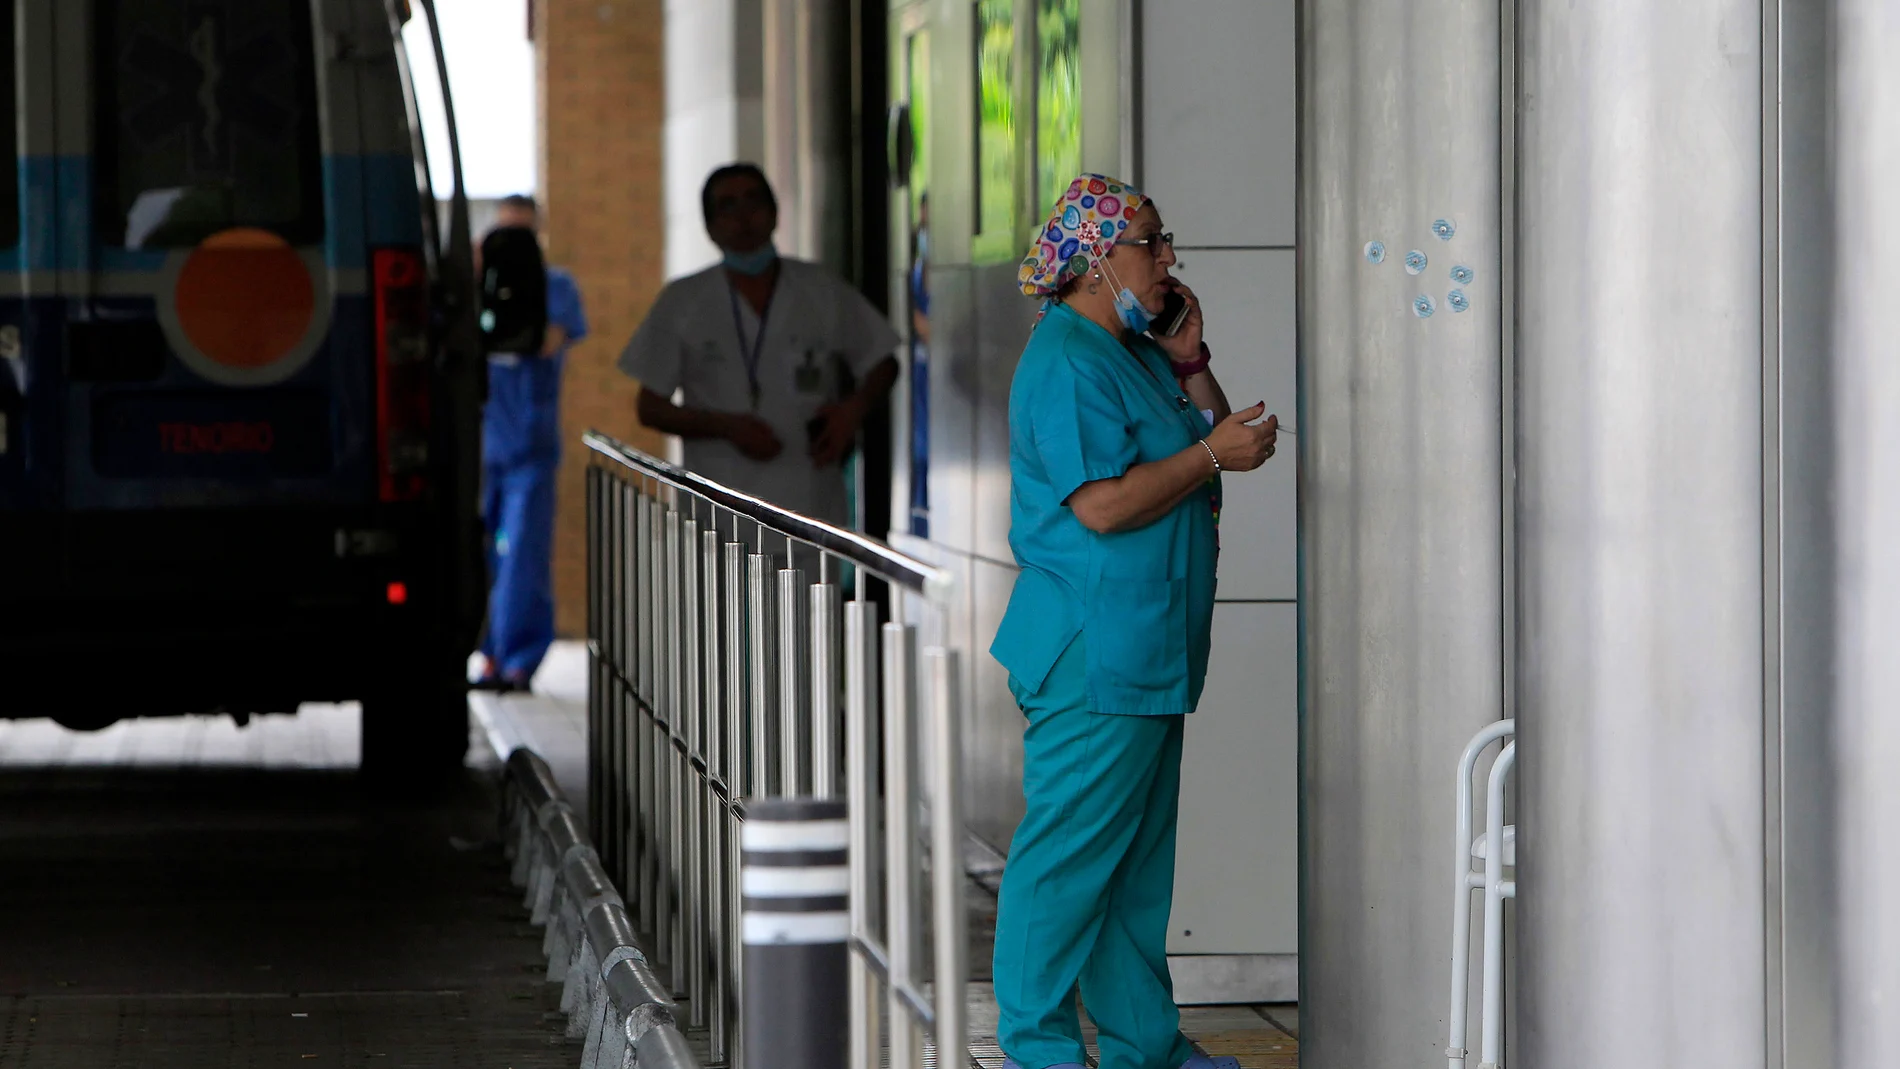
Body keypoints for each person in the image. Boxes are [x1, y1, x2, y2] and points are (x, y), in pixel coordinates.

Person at [988, 174, 1278, 1069]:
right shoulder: (1067, 360)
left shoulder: (1139, 351)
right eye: (1148, 242)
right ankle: (1037, 1049)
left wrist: (1191, 359)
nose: (1167, 258)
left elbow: (1222, 438)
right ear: (1091, 263)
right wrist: (1207, 450)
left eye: (1162, 239)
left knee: (1135, 871)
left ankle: (1144, 1045)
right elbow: (1106, 507)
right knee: (1067, 862)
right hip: (1092, 654)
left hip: (1146, 649)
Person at [617, 164, 899, 525]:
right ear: (710, 226)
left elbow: (883, 360)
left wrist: (852, 411)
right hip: (720, 509)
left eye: (753, 201)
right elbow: (650, 408)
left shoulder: (820, 288)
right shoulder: (684, 300)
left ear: (774, 212)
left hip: (809, 500)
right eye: (728, 206)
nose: (744, 216)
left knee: (811, 578)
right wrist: (727, 426)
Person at [474, 194, 588, 694]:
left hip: (529, 448)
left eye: (524, 235)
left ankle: (518, 659)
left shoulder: (555, 288)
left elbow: (544, 340)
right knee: (480, 556)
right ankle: (487, 655)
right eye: (506, 236)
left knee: (523, 553)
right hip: (481, 447)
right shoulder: (476, 287)